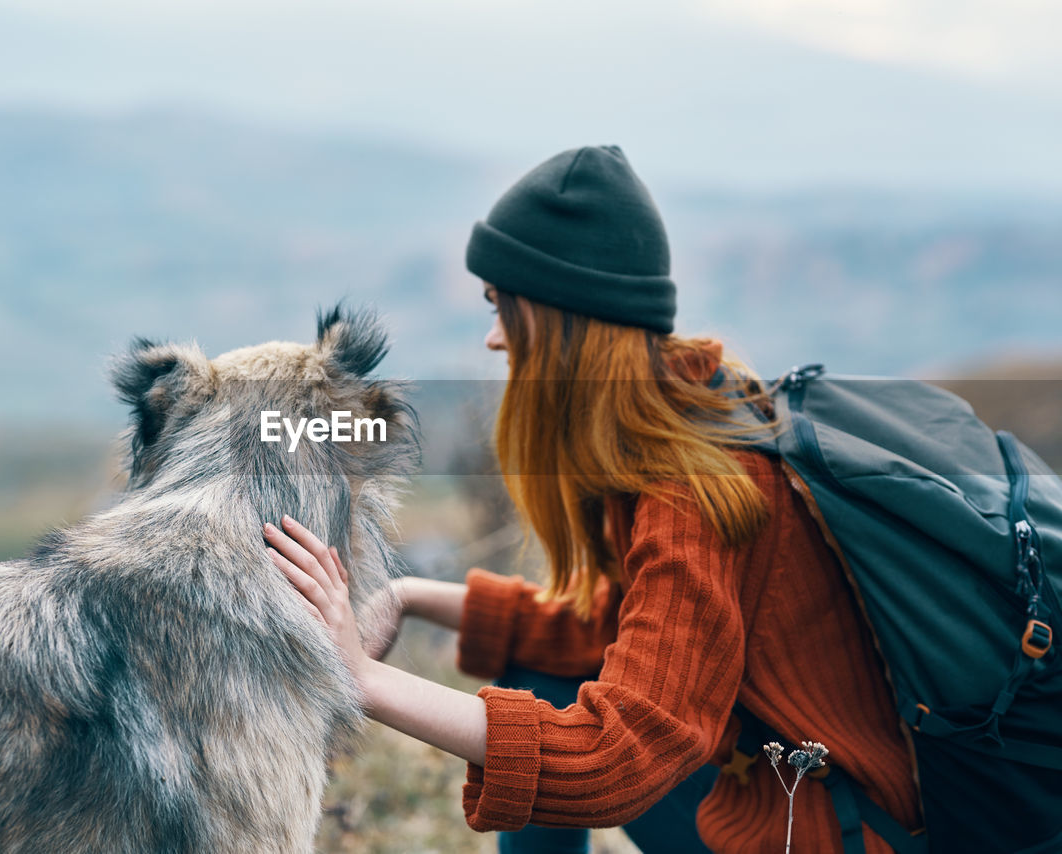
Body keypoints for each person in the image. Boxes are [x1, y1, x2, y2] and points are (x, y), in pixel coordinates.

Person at [263, 146, 922, 853]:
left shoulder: (697, 487)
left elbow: (613, 760)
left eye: (502, 308)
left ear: (562, 319)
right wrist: (408, 595)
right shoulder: (681, 417)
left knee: (555, 711)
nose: (492, 339)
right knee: (539, 674)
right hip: (785, 792)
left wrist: (363, 679)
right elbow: (610, 629)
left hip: (831, 832)